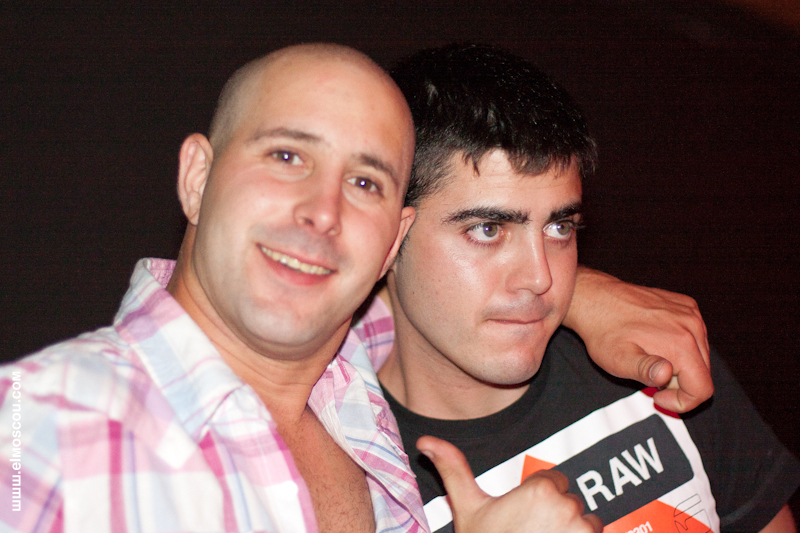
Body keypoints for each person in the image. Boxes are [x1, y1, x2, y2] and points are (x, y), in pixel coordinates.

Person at [1, 42, 711, 533]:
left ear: (393, 238)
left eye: (366, 182)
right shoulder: (36, 424)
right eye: (287, 156)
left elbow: (451, 288)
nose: (324, 212)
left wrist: (580, 294)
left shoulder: (355, 370)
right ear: (197, 177)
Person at [360, 43, 800, 533]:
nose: (540, 278)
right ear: (390, 236)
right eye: (487, 229)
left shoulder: (657, 358)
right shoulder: (350, 480)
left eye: (559, 227)